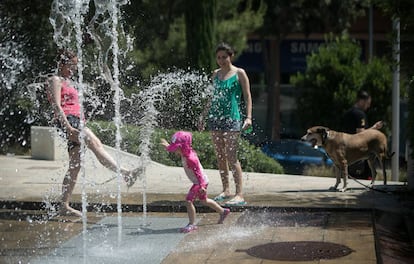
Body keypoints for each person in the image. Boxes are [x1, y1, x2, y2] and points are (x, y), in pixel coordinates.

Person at [47, 49, 139, 217]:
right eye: (71, 65)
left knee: (75, 165)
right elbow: (57, 106)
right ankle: (126, 174)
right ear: (62, 64)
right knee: (96, 144)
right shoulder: (55, 80)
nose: (73, 69)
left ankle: (64, 205)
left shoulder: (69, 82)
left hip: (76, 121)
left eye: (75, 65)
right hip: (68, 121)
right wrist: (67, 127)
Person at [199, 42, 252, 206]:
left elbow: (247, 96)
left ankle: (239, 194)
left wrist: (248, 117)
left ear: (231, 56)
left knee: (231, 156)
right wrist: (203, 115)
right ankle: (226, 189)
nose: (221, 60)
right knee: (220, 156)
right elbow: (210, 98)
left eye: (224, 57)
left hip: (232, 119)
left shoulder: (239, 73)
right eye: (219, 58)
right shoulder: (215, 74)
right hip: (215, 118)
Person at [161, 131, 230, 233]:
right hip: (201, 181)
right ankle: (223, 211)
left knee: (189, 201)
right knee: (204, 201)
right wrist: (168, 147)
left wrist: (202, 186)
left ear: (183, 147)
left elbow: (198, 174)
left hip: (200, 182)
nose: (175, 151)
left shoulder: (190, 159)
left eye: (176, 148)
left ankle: (191, 224)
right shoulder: (185, 152)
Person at [342, 89, 383, 179]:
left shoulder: (347, 114)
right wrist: (375, 127)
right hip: (359, 155)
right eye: (368, 103)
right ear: (362, 101)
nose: (368, 106)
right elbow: (361, 135)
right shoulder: (360, 115)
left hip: (347, 152)